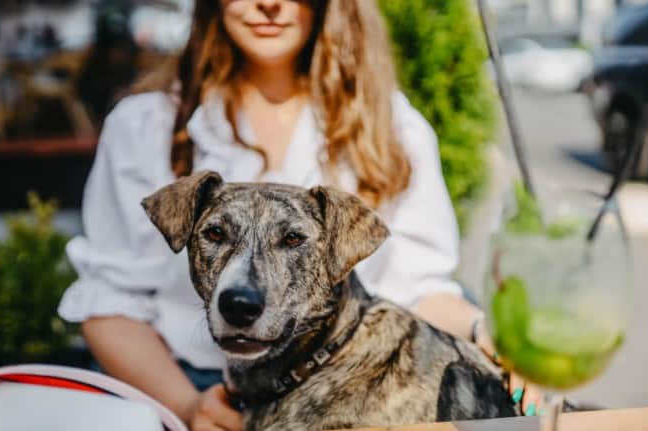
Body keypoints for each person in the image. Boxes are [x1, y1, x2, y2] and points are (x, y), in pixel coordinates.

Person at [58, 1, 540, 430]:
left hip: (341, 382)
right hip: (180, 382)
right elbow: (109, 303)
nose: (269, 4)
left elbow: (420, 288)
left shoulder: (393, 126)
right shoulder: (145, 126)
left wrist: (488, 335)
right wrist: (188, 407)